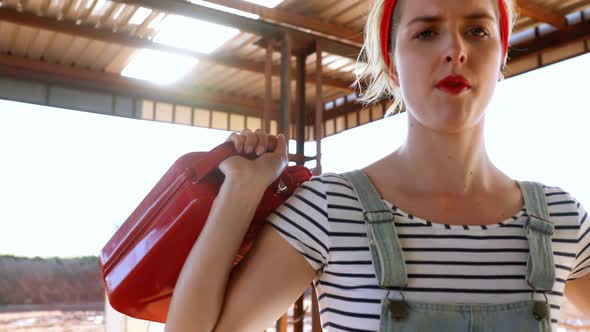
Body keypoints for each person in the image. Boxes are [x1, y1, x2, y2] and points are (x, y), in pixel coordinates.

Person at [164, 0, 590, 331]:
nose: (456, 50)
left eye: (477, 30)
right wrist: (241, 188)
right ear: (392, 62)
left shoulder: (561, 218)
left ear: (501, 55)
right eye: (426, 33)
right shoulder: (330, 208)